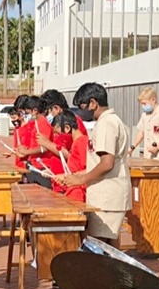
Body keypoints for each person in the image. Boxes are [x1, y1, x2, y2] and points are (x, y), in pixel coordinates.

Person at [55, 83, 131, 247]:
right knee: (109, 248)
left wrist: (80, 179)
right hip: (107, 194)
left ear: (93, 103)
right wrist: (75, 176)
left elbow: (106, 163)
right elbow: (98, 163)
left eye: (82, 107)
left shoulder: (107, 124)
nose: (81, 112)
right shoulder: (111, 121)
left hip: (107, 197)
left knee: (97, 248)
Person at [129, 87, 159, 158]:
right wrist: (133, 146)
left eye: (144, 103)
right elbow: (141, 132)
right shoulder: (144, 115)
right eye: (141, 104)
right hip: (147, 156)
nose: (143, 106)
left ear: (153, 100)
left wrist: (158, 146)